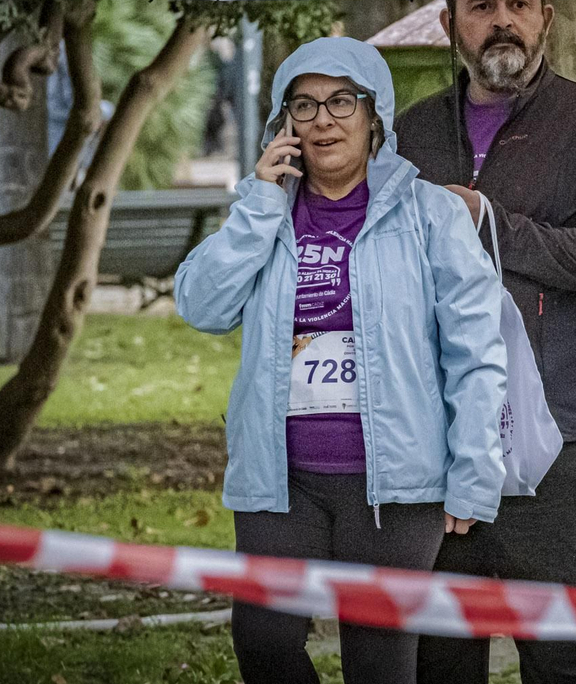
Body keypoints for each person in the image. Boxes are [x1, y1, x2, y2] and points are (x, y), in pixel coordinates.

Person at [175, 37, 508, 684]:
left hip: (397, 485)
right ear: (284, 122)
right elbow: (201, 305)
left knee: (380, 666)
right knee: (264, 644)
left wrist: (474, 469)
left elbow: (477, 351)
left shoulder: (430, 215)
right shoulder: (264, 213)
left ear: (374, 114)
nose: (322, 119)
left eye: (340, 101)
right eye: (303, 104)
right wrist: (259, 206)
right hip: (281, 480)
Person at [395, 0, 576, 684]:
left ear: (546, 16)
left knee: (563, 657)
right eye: (482, 7)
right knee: (437, 658)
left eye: (518, 5)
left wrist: (491, 225)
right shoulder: (410, 132)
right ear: (451, 23)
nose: (502, 21)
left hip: (557, 433)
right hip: (436, 434)